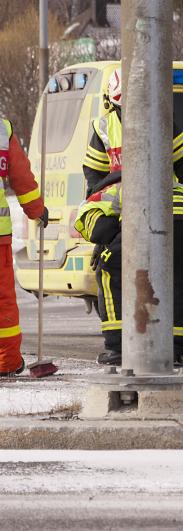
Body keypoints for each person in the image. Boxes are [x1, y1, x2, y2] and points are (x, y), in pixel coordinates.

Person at [74, 174, 183, 366]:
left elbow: (102, 231)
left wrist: (105, 247)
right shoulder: (162, 179)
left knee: (109, 272)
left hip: (152, 214)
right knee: (179, 280)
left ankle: (117, 348)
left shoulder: (93, 203)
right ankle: (174, 350)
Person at [81, 67, 183, 196]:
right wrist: (98, 195)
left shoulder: (161, 124)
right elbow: (94, 172)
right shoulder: (104, 128)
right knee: (96, 216)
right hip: (117, 203)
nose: (133, 113)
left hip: (159, 200)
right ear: (113, 104)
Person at [0, 118, 48, 376]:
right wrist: (37, 211)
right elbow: (21, 178)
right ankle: (6, 362)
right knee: (2, 301)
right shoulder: (2, 129)